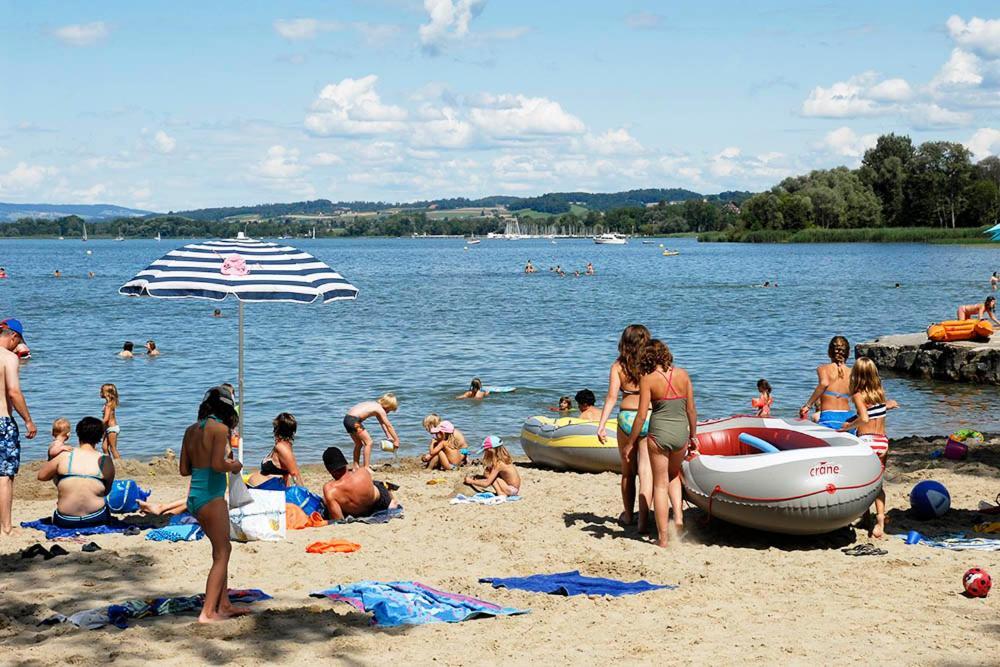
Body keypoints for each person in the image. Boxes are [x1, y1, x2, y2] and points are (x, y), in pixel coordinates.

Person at [180, 386, 249, 623]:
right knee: (223, 552)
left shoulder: (190, 431)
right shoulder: (220, 430)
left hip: (195, 497)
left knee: (219, 550)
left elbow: (183, 470)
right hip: (212, 497)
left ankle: (224, 604)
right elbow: (219, 465)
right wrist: (234, 466)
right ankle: (208, 612)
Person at [627, 339, 697, 548]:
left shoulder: (647, 379)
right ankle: (678, 518)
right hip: (680, 434)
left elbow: (641, 416)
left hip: (659, 435)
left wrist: (631, 441)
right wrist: (693, 436)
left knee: (659, 484)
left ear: (646, 357)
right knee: (674, 474)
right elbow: (691, 410)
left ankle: (664, 539)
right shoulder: (683, 375)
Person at [596, 324, 653, 531]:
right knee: (646, 470)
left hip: (627, 418)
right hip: (648, 416)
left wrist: (601, 425)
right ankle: (643, 521)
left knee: (628, 472)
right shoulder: (652, 364)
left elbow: (611, 398)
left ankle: (628, 516)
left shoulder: (618, 366)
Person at [838, 357, 899, 539]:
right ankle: (879, 520)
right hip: (882, 441)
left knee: (864, 483)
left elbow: (864, 418)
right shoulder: (879, 392)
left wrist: (846, 428)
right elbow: (875, 412)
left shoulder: (857, 395)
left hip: (867, 442)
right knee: (878, 483)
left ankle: (865, 517)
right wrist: (890, 405)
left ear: (855, 375)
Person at [37, 417, 116, 528]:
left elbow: (41, 476)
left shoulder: (64, 454)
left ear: (78, 434)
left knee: (60, 474)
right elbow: (106, 491)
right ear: (100, 437)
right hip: (96, 517)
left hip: (65, 519)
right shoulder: (105, 460)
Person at [0, 319, 36, 536]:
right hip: (2, 421)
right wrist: (28, 420)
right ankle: (6, 527)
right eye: (18, 342)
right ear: (13, 336)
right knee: (5, 475)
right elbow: (13, 392)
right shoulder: (9, 358)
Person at [321, 446, 397, 519]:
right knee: (378, 485)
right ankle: (392, 501)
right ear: (345, 462)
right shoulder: (363, 472)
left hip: (356, 513)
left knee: (327, 500)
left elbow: (338, 519)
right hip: (379, 504)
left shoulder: (330, 490)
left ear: (329, 470)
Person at [799, 336, 854, 430]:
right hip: (848, 417)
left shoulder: (823, 369)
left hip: (829, 417)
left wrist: (808, 405)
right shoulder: (852, 372)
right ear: (848, 353)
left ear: (829, 352)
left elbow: (824, 383)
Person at [343, 393, 400, 469]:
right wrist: (396, 440)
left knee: (358, 444)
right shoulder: (380, 410)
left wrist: (388, 436)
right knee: (369, 442)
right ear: (387, 406)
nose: (388, 412)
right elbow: (389, 426)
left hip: (347, 419)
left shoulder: (374, 405)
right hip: (354, 421)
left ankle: (355, 466)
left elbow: (382, 423)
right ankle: (366, 468)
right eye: (390, 410)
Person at [247, 412, 303, 487]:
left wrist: (304, 494)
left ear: (277, 429)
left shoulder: (282, 448)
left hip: (265, 491)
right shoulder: (283, 446)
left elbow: (295, 474)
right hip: (260, 488)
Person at [101, 383, 122, 459]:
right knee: (104, 447)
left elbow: (106, 419)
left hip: (112, 429)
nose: (100, 393)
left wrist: (97, 424)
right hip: (107, 428)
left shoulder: (109, 405)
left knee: (113, 448)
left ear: (107, 393)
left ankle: (120, 464)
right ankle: (108, 462)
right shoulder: (107, 404)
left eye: (101, 391)